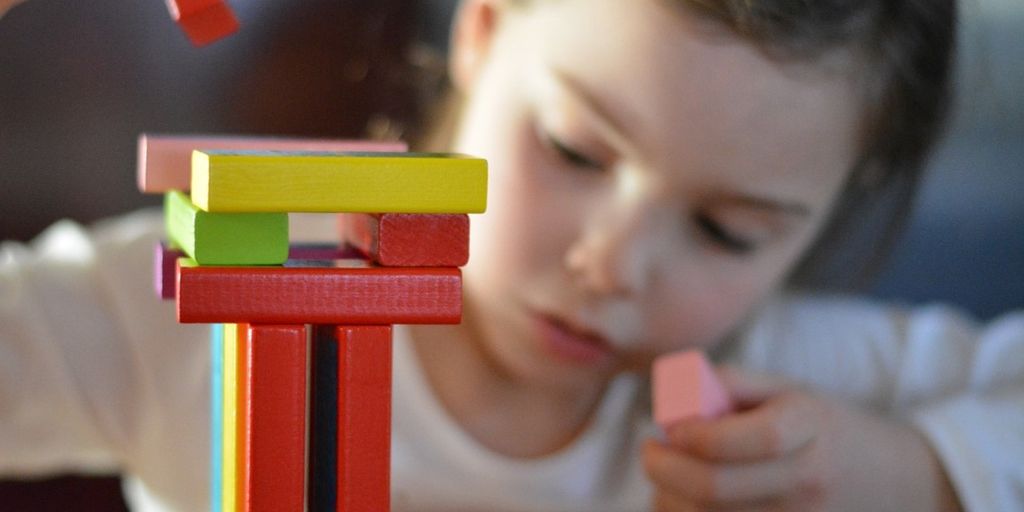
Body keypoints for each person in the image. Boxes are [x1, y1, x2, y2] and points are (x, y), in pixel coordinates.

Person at [1, 0, 1021, 511]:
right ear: (483, 30)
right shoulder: (208, 308)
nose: (612, 264)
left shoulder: (779, 390)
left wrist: (919, 469)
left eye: (727, 229)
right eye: (574, 149)